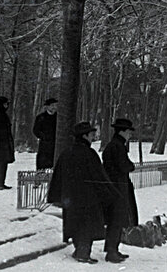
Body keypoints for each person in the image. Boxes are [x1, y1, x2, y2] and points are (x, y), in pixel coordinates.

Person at [47, 122, 122, 262]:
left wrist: (58, 195)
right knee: (87, 226)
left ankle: (79, 251)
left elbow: (58, 176)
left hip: (70, 198)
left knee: (75, 224)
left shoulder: (67, 152)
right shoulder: (89, 153)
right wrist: (110, 193)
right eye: (91, 134)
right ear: (85, 136)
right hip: (88, 198)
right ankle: (83, 253)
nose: (93, 137)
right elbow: (99, 176)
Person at [100, 117, 137, 261]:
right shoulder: (117, 146)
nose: (130, 134)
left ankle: (113, 248)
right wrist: (130, 166)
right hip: (117, 188)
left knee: (116, 220)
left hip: (115, 187)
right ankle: (111, 251)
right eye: (128, 131)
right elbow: (124, 165)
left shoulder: (115, 145)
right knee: (116, 219)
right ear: (121, 131)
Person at [33, 97, 58, 172]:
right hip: (44, 145)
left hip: (55, 144)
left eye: (55, 105)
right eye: (52, 105)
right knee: (42, 164)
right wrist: (43, 137)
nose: (54, 107)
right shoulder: (41, 117)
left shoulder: (58, 118)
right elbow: (35, 130)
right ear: (47, 106)